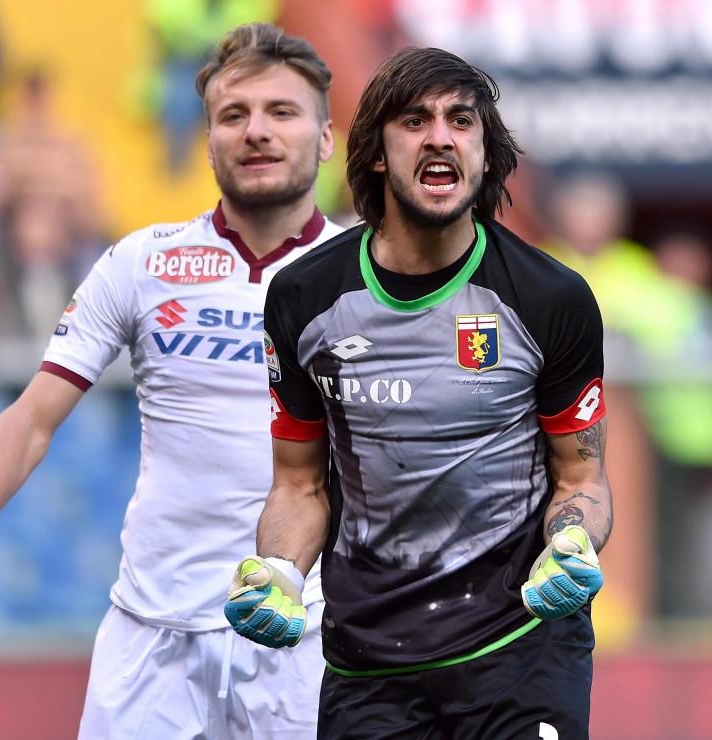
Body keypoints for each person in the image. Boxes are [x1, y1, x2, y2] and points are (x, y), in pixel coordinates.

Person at [0, 22, 342, 739]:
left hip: (307, 638)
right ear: (208, 142)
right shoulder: (143, 262)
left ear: (325, 138)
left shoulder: (370, 277)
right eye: (234, 115)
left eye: (282, 112)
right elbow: (34, 416)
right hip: (151, 641)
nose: (256, 131)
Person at [225, 46, 613, 738]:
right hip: (372, 665)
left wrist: (572, 543)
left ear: (485, 154)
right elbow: (299, 486)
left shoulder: (552, 297)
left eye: (461, 121)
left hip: (520, 651)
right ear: (376, 152)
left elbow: (581, 476)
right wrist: (281, 572)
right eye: (415, 120)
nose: (440, 136)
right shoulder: (303, 298)